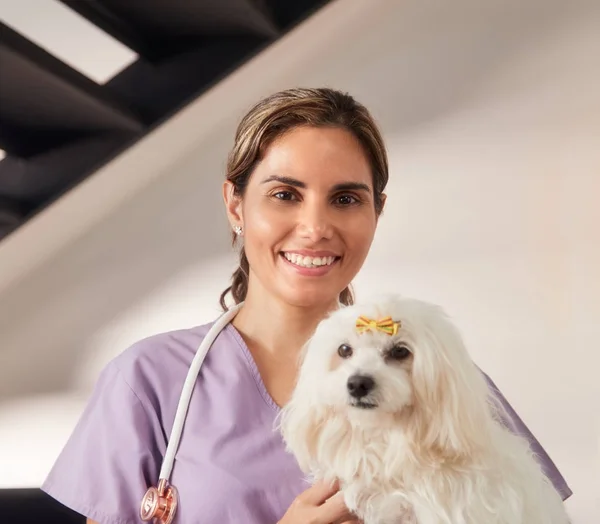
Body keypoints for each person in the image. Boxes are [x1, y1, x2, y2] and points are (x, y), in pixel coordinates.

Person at [41, 87, 572, 524]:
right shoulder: (149, 381)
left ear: (375, 211)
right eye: (285, 194)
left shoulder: (440, 370)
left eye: (345, 199)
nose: (316, 229)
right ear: (235, 205)